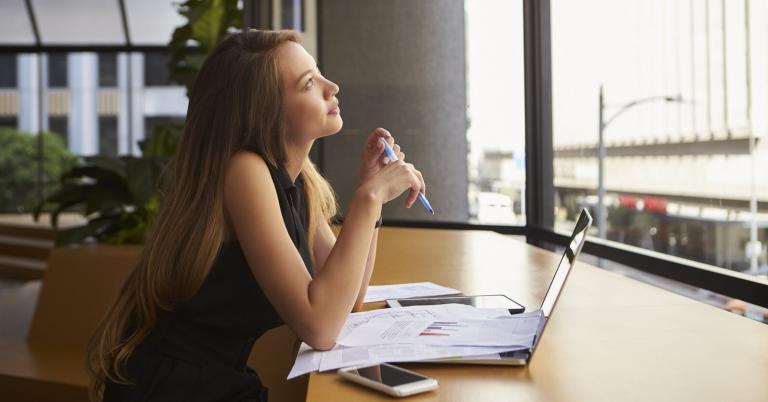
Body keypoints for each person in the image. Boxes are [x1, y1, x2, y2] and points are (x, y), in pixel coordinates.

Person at [87, 29, 426, 402]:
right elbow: (321, 327)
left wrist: (372, 195)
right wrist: (369, 198)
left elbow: (347, 302)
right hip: (173, 387)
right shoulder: (244, 171)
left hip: (218, 379)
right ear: (265, 112)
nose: (333, 87)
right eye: (309, 83)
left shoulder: (300, 182)